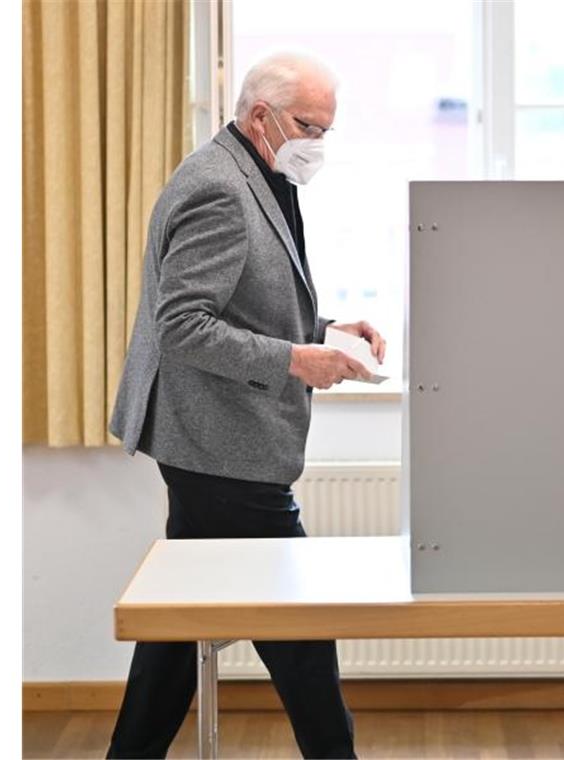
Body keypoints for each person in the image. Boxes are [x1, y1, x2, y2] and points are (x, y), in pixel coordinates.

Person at [106, 52, 382, 759]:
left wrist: (327, 332)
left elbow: (245, 303)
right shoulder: (220, 189)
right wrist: (297, 359)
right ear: (260, 115)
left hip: (214, 443)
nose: (317, 142)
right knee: (296, 626)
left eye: (326, 128)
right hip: (217, 443)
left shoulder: (259, 171)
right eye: (307, 125)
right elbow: (183, 326)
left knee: (179, 629)